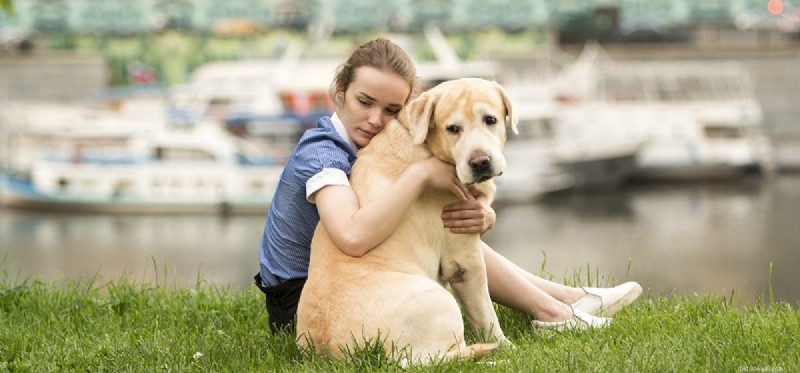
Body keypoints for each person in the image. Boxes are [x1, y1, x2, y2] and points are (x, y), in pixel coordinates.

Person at [255, 38, 641, 334]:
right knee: (447, 237)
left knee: (449, 230)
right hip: (308, 302)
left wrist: (482, 214)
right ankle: (555, 309)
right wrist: (422, 175)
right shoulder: (322, 153)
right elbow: (353, 236)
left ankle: (568, 300)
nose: (376, 120)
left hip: (351, 287)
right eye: (364, 102)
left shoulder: (375, 149)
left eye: (392, 111)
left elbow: (425, 225)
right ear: (338, 91)